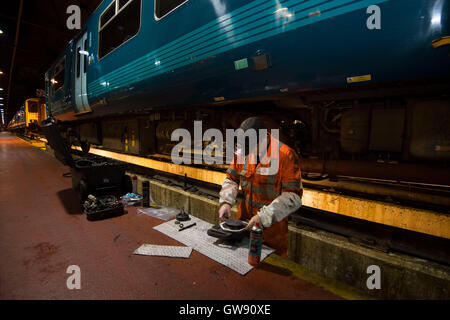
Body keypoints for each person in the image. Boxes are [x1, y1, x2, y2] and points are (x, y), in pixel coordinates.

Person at [218, 117, 303, 257]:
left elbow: (293, 196)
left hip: (271, 233)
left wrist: (263, 217)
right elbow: (232, 179)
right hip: (243, 226)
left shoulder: (285, 155)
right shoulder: (244, 151)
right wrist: (226, 202)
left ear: (263, 139)